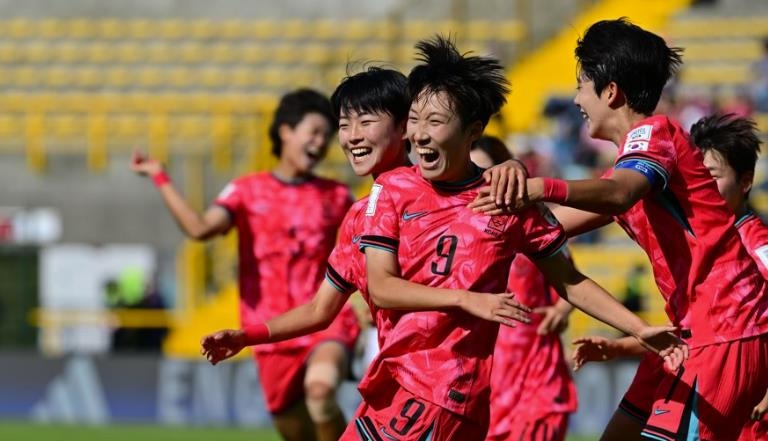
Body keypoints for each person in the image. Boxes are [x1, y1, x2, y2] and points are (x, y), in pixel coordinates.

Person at [346, 35, 685, 441]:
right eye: (415, 119)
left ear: (473, 131)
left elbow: (570, 281)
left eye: (435, 122)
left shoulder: (508, 202)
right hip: (393, 382)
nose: (419, 134)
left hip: (440, 390)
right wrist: (466, 299)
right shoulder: (393, 187)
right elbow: (381, 287)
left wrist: (636, 328)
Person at [472, 19, 768, 441]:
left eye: (581, 86)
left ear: (610, 91)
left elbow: (617, 195)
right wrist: (476, 214)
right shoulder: (633, 163)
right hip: (690, 334)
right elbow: (549, 226)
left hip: (724, 330)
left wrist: (537, 184)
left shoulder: (656, 135)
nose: (576, 99)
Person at [198, 68, 531, 438]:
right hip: (398, 383)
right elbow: (319, 310)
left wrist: (512, 169)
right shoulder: (361, 215)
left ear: (406, 126)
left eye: (366, 122)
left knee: (321, 393)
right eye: (344, 125)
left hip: (440, 388)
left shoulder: (446, 189)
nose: (352, 136)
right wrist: (247, 337)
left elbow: (489, 176)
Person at [131, 88, 359, 441]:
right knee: (298, 432)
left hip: (321, 319)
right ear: (286, 130)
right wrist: (160, 177)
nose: (320, 143)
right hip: (269, 330)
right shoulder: (245, 191)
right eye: (313, 132)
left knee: (321, 391)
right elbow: (199, 229)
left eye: (326, 137)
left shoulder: (338, 195)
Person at [571, 113, 768, 432]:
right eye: (698, 177)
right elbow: (693, 325)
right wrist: (622, 346)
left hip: (726, 370)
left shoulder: (752, 240)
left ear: (745, 182)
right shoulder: (688, 230)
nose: (704, 186)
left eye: (713, 177)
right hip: (679, 355)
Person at [471, 136, 577, 441]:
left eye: (488, 172)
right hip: (484, 367)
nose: (482, 182)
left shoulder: (531, 221)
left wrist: (561, 309)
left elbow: (570, 276)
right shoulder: (458, 229)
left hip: (533, 362)